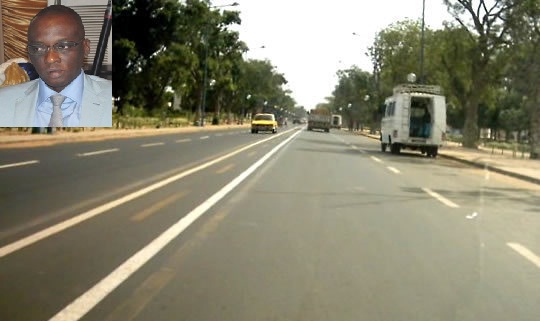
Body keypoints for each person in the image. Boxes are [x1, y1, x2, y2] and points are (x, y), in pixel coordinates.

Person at [0, 5, 112, 127]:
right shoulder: (4, 101)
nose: (50, 58)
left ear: (85, 47)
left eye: (62, 46)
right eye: (38, 48)